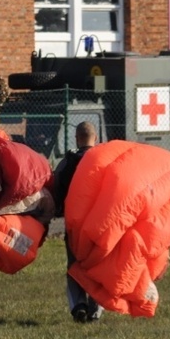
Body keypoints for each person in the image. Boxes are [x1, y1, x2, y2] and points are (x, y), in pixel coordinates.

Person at [54, 120, 103, 323]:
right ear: (96, 138)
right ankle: (95, 309)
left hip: (74, 225)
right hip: (100, 225)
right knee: (98, 266)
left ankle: (78, 306)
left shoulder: (68, 162)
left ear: (77, 138)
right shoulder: (104, 161)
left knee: (74, 264)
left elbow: (56, 186)